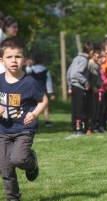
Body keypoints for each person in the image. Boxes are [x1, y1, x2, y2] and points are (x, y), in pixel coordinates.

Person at [0, 38, 48, 201]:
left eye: (18, 56)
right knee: (5, 167)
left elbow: (43, 100)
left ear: (24, 60)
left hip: (24, 130)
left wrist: (34, 114)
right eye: (9, 57)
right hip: (3, 130)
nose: (14, 60)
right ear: (2, 60)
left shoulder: (29, 82)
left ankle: (31, 161)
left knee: (19, 159)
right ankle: (13, 198)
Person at [67, 41, 95, 135]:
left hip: (74, 86)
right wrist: (86, 82)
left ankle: (75, 127)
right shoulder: (84, 60)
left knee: (74, 108)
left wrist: (70, 85)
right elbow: (77, 73)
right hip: (79, 86)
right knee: (80, 108)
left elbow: (69, 72)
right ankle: (79, 128)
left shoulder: (76, 58)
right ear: (91, 51)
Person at [25, 53, 56, 127]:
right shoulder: (46, 71)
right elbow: (49, 83)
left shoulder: (32, 69)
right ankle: (47, 121)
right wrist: (51, 93)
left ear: (35, 61)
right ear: (44, 61)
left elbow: (27, 71)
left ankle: (31, 119)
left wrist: (28, 65)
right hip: (42, 91)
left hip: (32, 90)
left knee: (32, 106)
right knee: (45, 106)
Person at [85, 46, 103, 134]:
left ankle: (92, 126)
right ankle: (88, 127)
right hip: (92, 90)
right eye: (96, 53)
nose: (98, 55)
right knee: (91, 109)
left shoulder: (98, 64)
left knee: (95, 109)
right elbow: (87, 78)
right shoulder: (89, 64)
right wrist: (92, 87)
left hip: (97, 89)